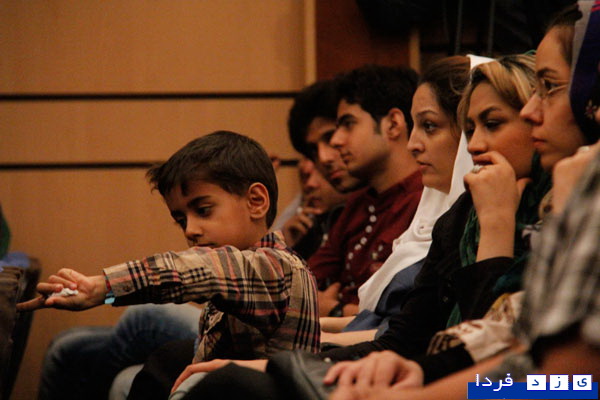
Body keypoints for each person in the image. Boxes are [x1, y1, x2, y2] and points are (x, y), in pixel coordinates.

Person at [328, 2, 600, 399]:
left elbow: (569, 383)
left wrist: (425, 396)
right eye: (469, 129)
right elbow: (515, 352)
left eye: (549, 87)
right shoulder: (464, 215)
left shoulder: (579, 189)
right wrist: (422, 375)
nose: (532, 110)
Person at [17, 131, 320, 399]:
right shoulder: (241, 272)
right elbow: (177, 283)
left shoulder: (275, 268)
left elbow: (189, 271)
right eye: (181, 219)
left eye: (203, 210)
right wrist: (106, 296)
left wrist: (102, 288)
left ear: (256, 201)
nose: (190, 230)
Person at [320, 55, 479, 345]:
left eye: (429, 126)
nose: (412, 143)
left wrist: (328, 317)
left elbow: (409, 337)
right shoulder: (431, 215)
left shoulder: (472, 223)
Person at [308, 65, 424, 317]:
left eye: (348, 124)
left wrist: (336, 310)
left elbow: (411, 315)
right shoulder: (359, 203)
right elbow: (303, 283)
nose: (336, 140)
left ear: (393, 124)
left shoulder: (427, 200)